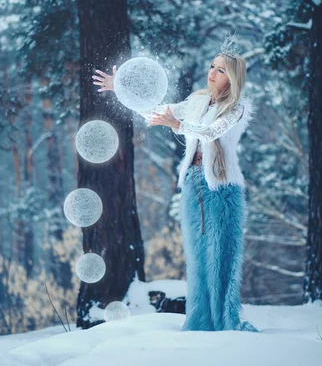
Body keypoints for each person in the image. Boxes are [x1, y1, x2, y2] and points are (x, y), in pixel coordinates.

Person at [92, 48, 257, 332]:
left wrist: (178, 125)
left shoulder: (237, 108)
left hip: (223, 189)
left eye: (220, 70)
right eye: (212, 66)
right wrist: (120, 88)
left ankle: (225, 322)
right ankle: (201, 321)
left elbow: (210, 132)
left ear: (233, 77)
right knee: (196, 256)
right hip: (193, 184)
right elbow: (158, 114)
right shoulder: (197, 101)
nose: (212, 73)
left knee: (221, 256)